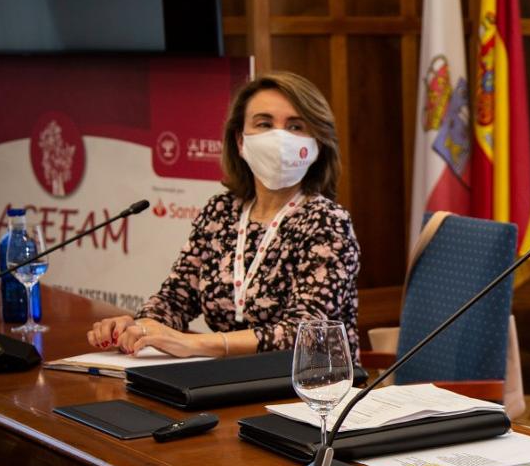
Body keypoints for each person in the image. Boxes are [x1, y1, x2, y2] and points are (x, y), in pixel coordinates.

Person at [87, 72, 361, 360]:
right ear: (240, 141)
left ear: (318, 143)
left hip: (313, 392)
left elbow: (303, 333)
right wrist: (139, 327)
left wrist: (194, 344)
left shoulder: (328, 222)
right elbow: (176, 298)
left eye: (295, 126)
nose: (280, 138)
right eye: (264, 124)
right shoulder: (221, 212)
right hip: (226, 382)